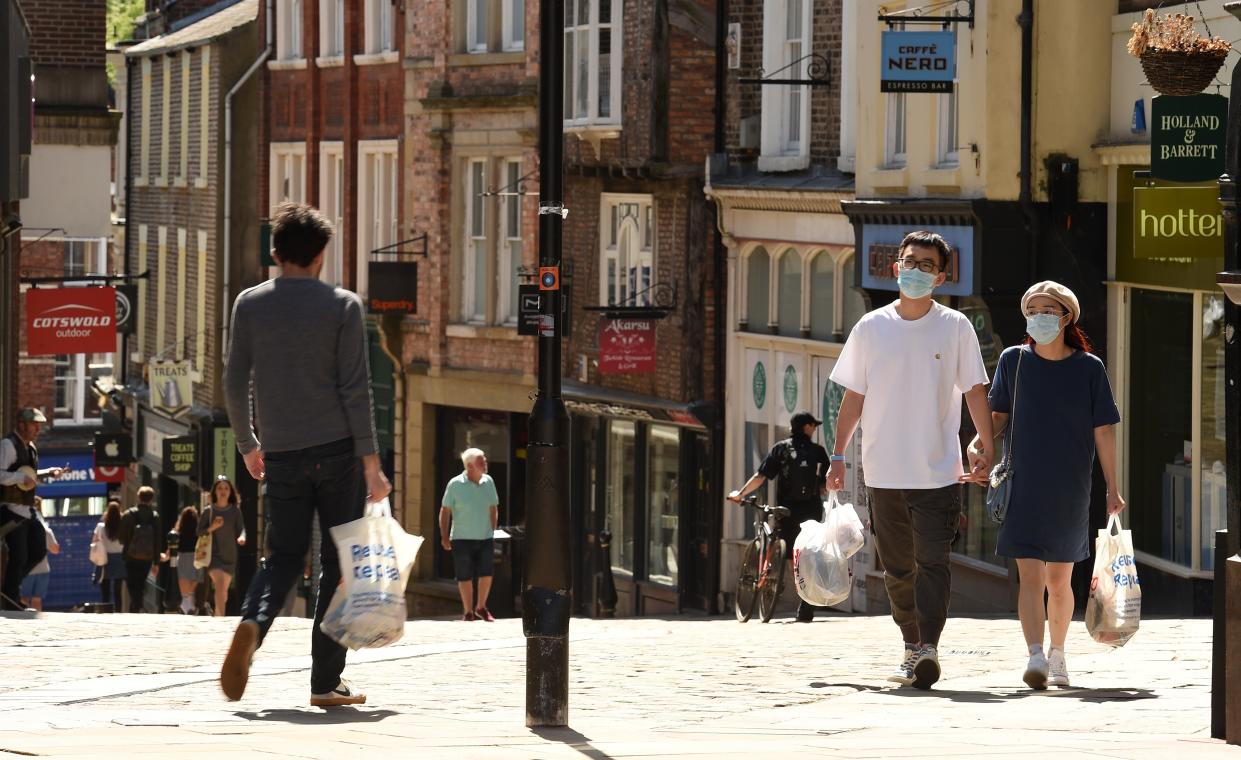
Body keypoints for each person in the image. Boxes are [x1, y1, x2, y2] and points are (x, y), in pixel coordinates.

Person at [221, 201, 391, 707]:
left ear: (275, 253)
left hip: (284, 455)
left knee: (283, 558)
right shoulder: (343, 306)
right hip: (338, 454)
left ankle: (253, 623)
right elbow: (356, 392)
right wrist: (372, 465)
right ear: (321, 254)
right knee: (339, 566)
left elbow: (234, 382)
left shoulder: (249, 304)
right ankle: (324, 682)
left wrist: (249, 445)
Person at [826, 230, 994, 690]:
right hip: (883, 471)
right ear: (895, 268)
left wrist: (986, 443)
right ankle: (911, 642)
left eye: (927, 265)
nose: (916, 270)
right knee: (899, 567)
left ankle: (929, 648)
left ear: (941, 276)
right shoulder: (871, 328)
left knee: (934, 562)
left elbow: (976, 390)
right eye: (909, 262)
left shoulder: (955, 327)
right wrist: (838, 454)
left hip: (939, 471)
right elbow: (853, 397)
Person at [964, 281, 1123, 690]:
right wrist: (977, 444)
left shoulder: (1090, 368)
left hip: (1070, 488)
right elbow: (997, 417)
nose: (1039, 317)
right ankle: (1035, 654)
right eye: (1032, 310)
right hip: (1023, 484)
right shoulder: (1013, 360)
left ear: (1066, 316)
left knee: (1059, 579)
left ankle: (1058, 653)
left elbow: (1104, 430)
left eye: (1048, 310)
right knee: (1030, 576)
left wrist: (1112, 487)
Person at [727, 411, 831, 622]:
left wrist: (741, 493)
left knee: (786, 550)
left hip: (786, 510)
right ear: (807, 427)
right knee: (807, 556)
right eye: (813, 426)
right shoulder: (818, 452)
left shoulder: (781, 449)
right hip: (810, 511)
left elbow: (761, 476)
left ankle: (774, 576)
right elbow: (825, 485)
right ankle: (806, 605)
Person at [0, 408, 64, 610]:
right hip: (10, 510)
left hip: (27, 511)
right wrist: (20, 479)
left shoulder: (30, 448)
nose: (38, 428)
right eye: (34, 424)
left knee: (37, 551)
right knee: (19, 555)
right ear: (21, 424)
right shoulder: (8, 445)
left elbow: (30, 474)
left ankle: (10, 588)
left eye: (39, 425)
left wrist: (47, 473)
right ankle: (11, 597)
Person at [439, 447, 500, 622]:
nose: (485, 463)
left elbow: (493, 508)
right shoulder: (455, 484)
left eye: (485, 460)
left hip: (485, 537)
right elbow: (445, 511)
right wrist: (444, 536)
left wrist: (492, 530)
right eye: (481, 461)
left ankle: (481, 607)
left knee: (486, 574)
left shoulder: (489, 481)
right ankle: (468, 611)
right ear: (470, 466)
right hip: (461, 538)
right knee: (464, 576)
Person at [199, 476, 246, 617]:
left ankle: (217, 614)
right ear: (215, 492)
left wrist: (242, 537)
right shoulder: (209, 511)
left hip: (230, 555)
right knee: (219, 584)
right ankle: (221, 620)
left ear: (231, 492)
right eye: (220, 488)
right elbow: (199, 531)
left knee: (223, 590)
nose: (223, 491)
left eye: (226, 488)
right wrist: (212, 527)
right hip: (213, 556)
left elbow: (241, 529)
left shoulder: (235, 511)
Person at [117, 486, 166, 613]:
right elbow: (158, 540)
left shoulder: (128, 515)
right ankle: (137, 605)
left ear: (138, 497)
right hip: (147, 557)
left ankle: (136, 605)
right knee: (141, 581)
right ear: (151, 500)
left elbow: (121, 537)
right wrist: (156, 562)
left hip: (130, 556)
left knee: (132, 583)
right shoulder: (155, 516)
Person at [19, 497, 59, 611]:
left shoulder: (24, 528)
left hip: (28, 569)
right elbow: (56, 549)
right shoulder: (46, 530)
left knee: (23, 599)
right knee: (37, 600)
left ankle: (24, 624)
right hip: (43, 569)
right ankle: (37, 625)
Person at [92, 501, 126, 611]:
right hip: (120, 559)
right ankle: (119, 611)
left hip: (105, 558)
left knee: (105, 589)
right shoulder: (123, 526)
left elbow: (94, 542)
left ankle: (106, 610)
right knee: (118, 590)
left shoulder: (101, 527)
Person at [171, 505, 201, 615]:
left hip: (183, 558)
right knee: (194, 583)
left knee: (183, 584)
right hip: (195, 558)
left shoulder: (178, 532)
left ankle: (185, 605)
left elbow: (171, 549)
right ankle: (191, 606)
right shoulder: (198, 533)